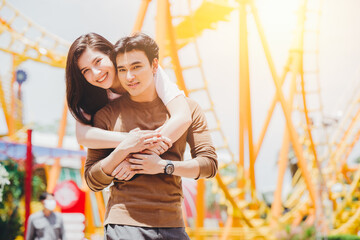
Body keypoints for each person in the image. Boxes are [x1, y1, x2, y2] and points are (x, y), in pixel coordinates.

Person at [84, 32, 218, 239]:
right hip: (123, 224)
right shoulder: (106, 115)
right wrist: (122, 152)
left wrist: (163, 166)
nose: (129, 77)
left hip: (172, 224)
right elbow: (92, 180)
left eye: (136, 67)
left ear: (155, 66)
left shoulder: (189, 110)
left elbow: (209, 165)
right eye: (122, 69)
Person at [65, 33, 192, 156]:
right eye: (86, 70)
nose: (96, 73)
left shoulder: (146, 70)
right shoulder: (88, 94)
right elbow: (83, 136)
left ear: (110, 54)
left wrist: (144, 148)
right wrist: (131, 140)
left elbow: (182, 116)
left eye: (98, 61)